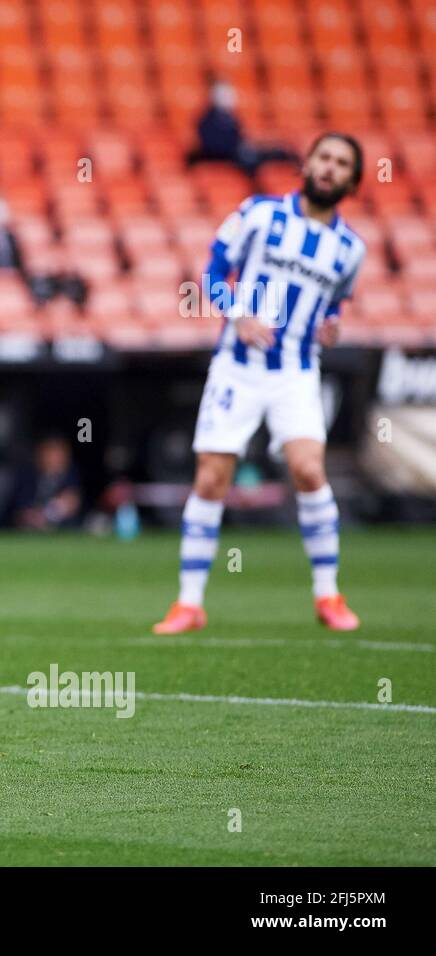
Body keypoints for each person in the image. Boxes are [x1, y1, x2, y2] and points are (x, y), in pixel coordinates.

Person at [154, 133, 367, 635]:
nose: (329, 168)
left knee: (309, 470)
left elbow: (334, 303)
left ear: (353, 180)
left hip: (296, 370)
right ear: (307, 164)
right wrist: (238, 315)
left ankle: (328, 594)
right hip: (238, 366)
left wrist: (332, 325)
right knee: (211, 479)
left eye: (341, 163)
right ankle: (189, 603)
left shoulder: (350, 249)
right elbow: (211, 273)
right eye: (323, 158)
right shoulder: (259, 214)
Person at [187, 81, 298, 176]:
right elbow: (214, 145)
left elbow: (239, 136)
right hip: (228, 156)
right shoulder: (207, 119)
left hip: (238, 152)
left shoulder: (230, 117)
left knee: (278, 152)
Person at [12, 435, 81, 530]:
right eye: (48, 453)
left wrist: (47, 515)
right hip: (29, 529)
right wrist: (33, 516)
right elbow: (20, 507)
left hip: (62, 528)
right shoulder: (27, 476)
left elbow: (72, 502)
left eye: (57, 454)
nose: (52, 459)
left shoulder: (71, 476)